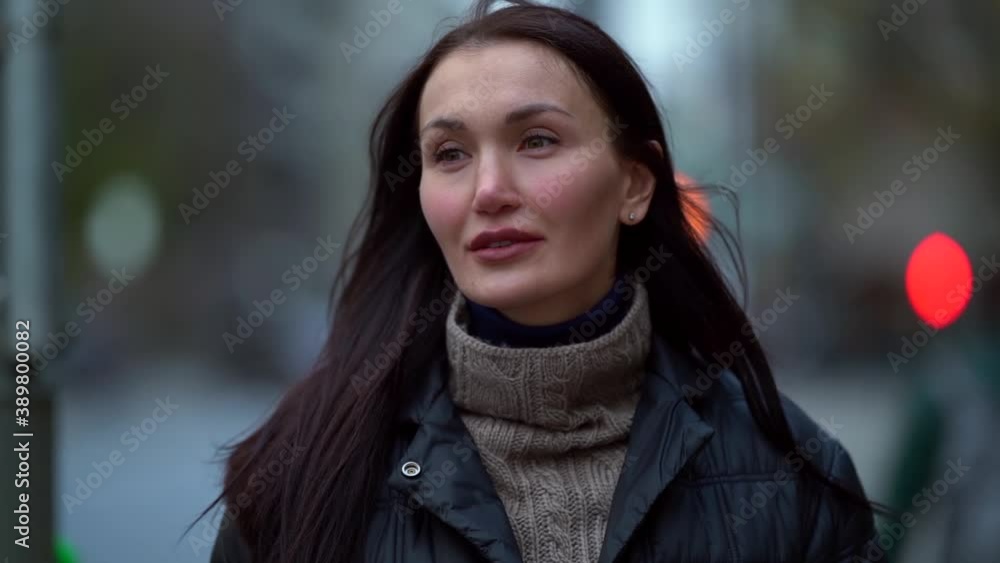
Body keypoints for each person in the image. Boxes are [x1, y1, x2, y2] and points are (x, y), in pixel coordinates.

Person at [199, 1, 879, 561]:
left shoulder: (794, 479)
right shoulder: (301, 478)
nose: (488, 190)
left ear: (635, 185)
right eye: (451, 153)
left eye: (537, 141)